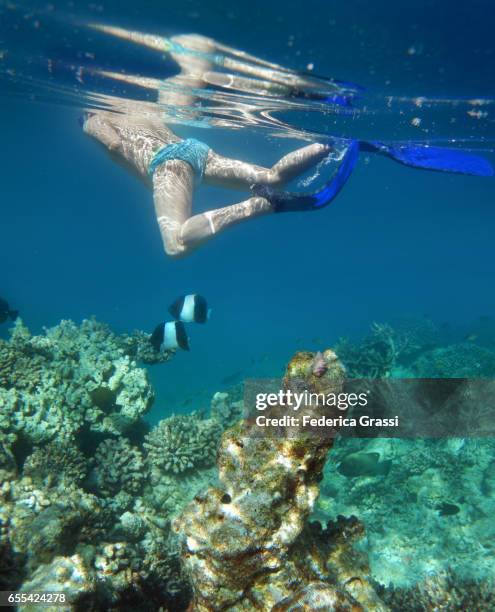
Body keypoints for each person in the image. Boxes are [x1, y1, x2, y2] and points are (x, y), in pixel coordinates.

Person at [83, 32, 358, 257]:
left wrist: (147, 174)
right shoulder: (133, 108)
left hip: (166, 165)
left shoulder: (94, 118)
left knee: (176, 244)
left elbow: (115, 146)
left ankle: (262, 205)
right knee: (271, 176)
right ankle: (330, 144)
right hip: (193, 148)